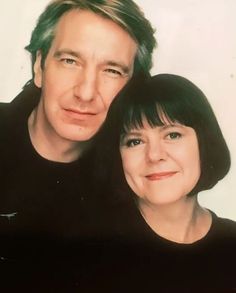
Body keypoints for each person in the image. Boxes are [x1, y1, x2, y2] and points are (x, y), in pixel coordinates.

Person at [0, 0, 156, 290]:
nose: (85, 92)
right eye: (70, 61)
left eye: (112, 70)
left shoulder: (139, 178)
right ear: (38, 66)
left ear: (134, 85)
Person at [93, 74, 236, 291]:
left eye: (172, 135)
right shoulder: (92, 249)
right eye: (135, 141)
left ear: (204, 143)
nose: (154, 155)